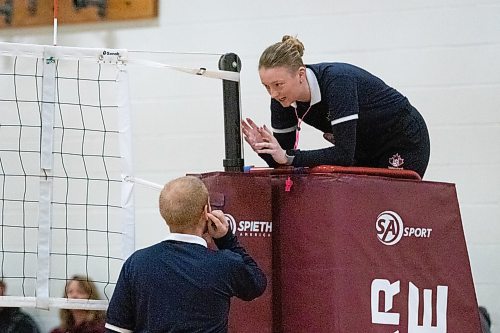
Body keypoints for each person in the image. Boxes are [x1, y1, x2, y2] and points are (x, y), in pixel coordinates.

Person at [242, 35, 430, 178]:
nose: (273, 94)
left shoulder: (338, 82)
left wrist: (288, 157)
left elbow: (343, 154)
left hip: (402, 139)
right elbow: (284, 161)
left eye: (278, 84)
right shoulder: (281, 100)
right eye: (266, 86)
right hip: (364, 147)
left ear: (300, 74)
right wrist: (265, 149)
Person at [105, 176, 267, 333]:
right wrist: (226, 239)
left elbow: (116, 329)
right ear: (207, 211)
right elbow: (257, 284)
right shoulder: (225, 264)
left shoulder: (136, 263)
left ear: (163, 213)